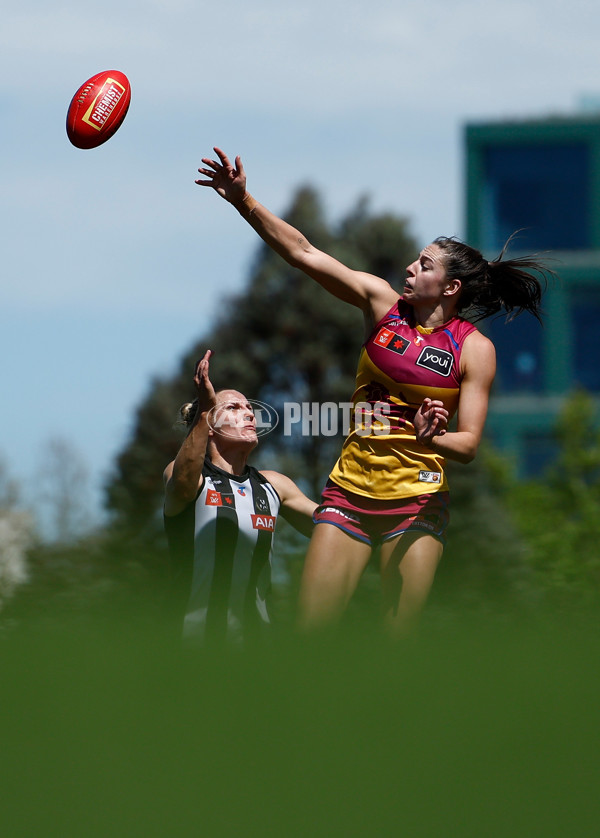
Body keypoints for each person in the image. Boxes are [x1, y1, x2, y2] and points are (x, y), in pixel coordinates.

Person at [196, 147, 550, 637]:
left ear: (451, 288)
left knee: (393, 649)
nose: (409, 268)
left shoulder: (474, 350)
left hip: (418, 501)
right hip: (349, 493)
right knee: (308, 637)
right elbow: (303, 253)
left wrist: (431, 441)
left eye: (424, 264)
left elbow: (467, 444)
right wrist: (243, 201)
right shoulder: (382, 306)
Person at [163, 349, 316, 645]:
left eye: (249, 407)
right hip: (190, 645)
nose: (249, 413)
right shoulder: (185, 475)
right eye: (233, 407)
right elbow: (182, 483)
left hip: (255, 647)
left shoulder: (274, 485)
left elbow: (334, 526)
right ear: (208, 427)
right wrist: (205, 411)